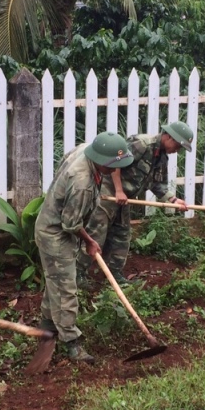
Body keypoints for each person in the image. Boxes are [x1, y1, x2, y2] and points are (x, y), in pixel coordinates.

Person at [35, 132, 134, 363]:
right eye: (114, 165)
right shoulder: (83, 184)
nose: (115, 170)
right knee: (66, 289)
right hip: (55, 234)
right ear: (101, 160)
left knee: (56, 281)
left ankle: (47, 328)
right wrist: (90, 241)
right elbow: (70, 224)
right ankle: (72, 343)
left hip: (55, 225)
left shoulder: (86, 151)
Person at [77, 122, 193, 288]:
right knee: (96, 233)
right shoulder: (141, 144)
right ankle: (78, 276)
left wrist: (173, 200)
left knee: (122, 235)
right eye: (178, 145)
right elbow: (115, 162)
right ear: (168, 136)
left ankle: (114, 275)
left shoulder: (161, 157)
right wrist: (118, 190)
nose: (178, 150)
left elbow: (158, 185)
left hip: (124, 198)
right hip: (108, 192)